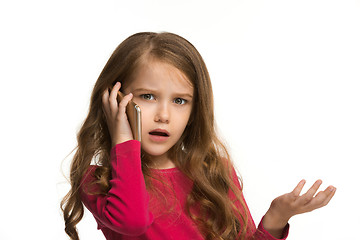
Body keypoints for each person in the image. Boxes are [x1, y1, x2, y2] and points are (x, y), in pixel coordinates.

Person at [61, 32, 336, 240]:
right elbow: (132, 222)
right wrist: (123, 140)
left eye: (180, 101)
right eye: (147, 96)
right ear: (115, 99)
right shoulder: (99, 180)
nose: (164, 115)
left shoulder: (213, 172)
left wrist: (277, 216)